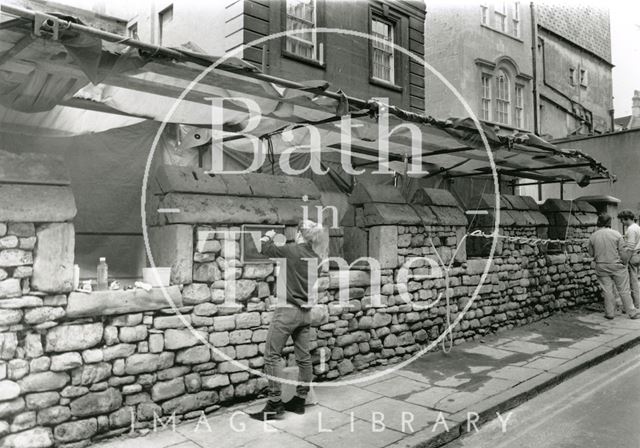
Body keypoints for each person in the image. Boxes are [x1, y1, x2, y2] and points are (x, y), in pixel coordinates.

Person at [249, 219, 323, 421]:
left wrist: (270, 234)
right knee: (304, 357)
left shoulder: (291, 250)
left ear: (300, 234)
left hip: (287, 311)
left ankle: (274, 403)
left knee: (272, 355)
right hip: (305, 314)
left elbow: (263, 248)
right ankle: (299, 400)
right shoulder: (316, 257)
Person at [588, 213, 640, 320]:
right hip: (617, 266)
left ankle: (610, 313)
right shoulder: (616, 234)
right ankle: (632, 312)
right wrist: (624, 263)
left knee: (607, 290)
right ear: (609, 223)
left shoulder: (593, 236)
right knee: (624, 290)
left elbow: (591, 253)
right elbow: (623, 252)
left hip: (601, 266)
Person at [617, 209, 640, 309]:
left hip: (632, 255)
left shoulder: (631, 229)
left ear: (626, 219)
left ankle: (636, 305)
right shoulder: (637, 227)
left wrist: (625, 260)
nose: (621, 222)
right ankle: (637, 303)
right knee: (634, 280)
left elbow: (630, 247)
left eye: (622, 220)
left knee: (632, 282)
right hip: (637, 254)